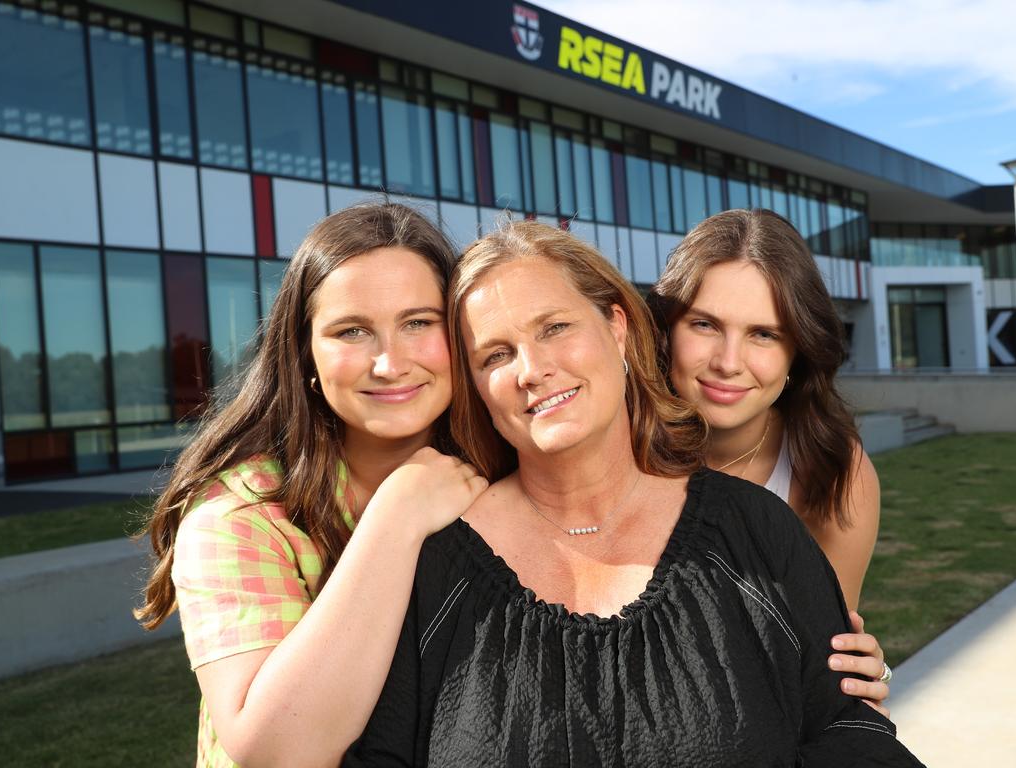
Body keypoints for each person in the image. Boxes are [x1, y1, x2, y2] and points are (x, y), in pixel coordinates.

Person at [343, 221, 922, 766]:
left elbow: (847, 727)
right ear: (474, 387)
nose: (532, 369)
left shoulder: (761, 527)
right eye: (495, 354)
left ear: (617, 327)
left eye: (555, 327)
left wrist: (859, 670)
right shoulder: (433, 564)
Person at [135, 202, 487, 768]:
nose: (389, 362)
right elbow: (278, 751)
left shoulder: (498, 474)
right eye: (352, 331)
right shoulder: (238, 514)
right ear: (307, 355)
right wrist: (396, 515)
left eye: (418, 322)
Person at [653, 208, 889, 708]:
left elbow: (824, 666)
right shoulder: (617, 447)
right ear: (666, 329)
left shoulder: (833, 471)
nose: (728, 362)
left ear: (796, 353)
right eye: (704, 324)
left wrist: (862, 679)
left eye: (764, 333)